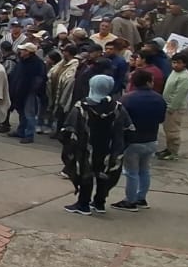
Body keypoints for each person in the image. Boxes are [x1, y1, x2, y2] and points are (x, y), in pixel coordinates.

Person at [57, 75, 134, 216]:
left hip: (86, 149)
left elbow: (68, 130)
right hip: (109, 150)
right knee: (104, 175)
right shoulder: (118, 107)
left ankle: (83, 204)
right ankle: (99, 203)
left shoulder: (82, 107)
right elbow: (128, 129)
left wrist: (69, 147)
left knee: (86, 175)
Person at [116, 70, 167, 212]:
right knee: (144, 170)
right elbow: (162, 119)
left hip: (132, 141)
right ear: (149, 82)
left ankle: (130, 201)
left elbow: (119, 120)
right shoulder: (159, 98)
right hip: (151, 139)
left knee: (131, 172)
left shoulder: (126, 99)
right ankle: (141, 198)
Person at [160, 54, 188, 159]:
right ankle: (168, 149)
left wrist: (171, 108)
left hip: (175, 108)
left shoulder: (184, 77)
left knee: (172, 131)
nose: (175, 65)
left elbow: (179, 95)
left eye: (178, 63)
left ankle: (173, 152)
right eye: (174, 62)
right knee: (167, 129)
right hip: (167, 105)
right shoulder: (175, 72)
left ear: (185, 64)